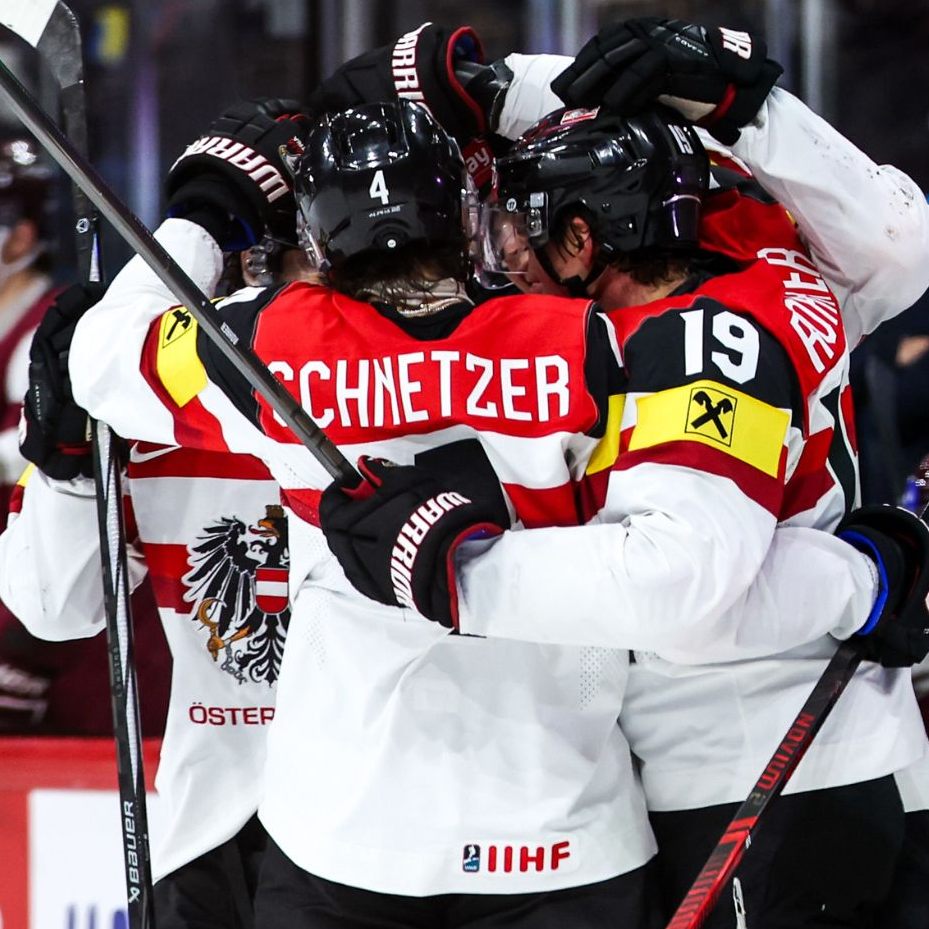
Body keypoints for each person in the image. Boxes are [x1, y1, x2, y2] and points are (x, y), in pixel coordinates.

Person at [60, 87, 928, 929]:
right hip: (564, 837)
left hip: (342, 836)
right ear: (463, 217)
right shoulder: (600, 341)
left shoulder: (265, 342)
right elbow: (691, 566)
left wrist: (207, 213)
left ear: (318, 239)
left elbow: (98, 358)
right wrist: (862, 572)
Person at [318, 20, 929, 929]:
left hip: (748, 780)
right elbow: (895, 237)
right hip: (850, 754)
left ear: (582, 234)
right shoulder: (769, 257)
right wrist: (514, 92)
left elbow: (681, 589)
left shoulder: (687, 348)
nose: (505, 253)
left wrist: (454, 572)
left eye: (523, 225)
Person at [0, 100, 315, 929]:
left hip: (379, 836)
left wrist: (195, 221)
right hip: (210, 830)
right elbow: (54, 605)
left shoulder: (404, 382)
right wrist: (66, 463)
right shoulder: (152, 398)